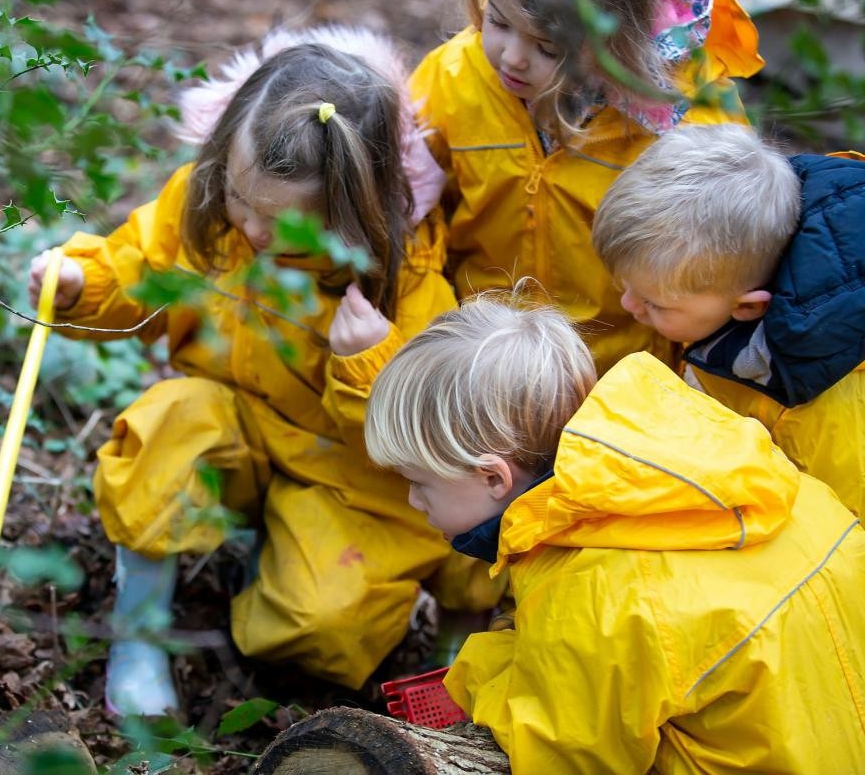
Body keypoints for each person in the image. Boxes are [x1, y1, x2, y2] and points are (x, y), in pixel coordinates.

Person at [26, 26, 463, 716]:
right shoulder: (210, 203)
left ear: (351, 210)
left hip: (344, 473)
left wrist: (371, 361)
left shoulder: (404, 281)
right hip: (232, 417)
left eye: (281, 225)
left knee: (318, 630)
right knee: (167, 421)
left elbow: (414, 442)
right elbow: (145, 265)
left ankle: (273, 567)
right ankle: (137, 636)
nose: (252, 231)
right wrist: (87, 283)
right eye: (239, 199)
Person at [363, 295, 865, 773]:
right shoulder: (686, 455)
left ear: (494, 477)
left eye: (418, 482)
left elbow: (562, 757)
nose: (413, 501)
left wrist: (482, 668)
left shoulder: (590, 592)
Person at [409, 0, 764, 376]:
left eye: (547, 47)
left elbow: (710, 282)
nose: (512, 57)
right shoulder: (453, 78)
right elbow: (414, 219)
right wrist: (432, 329)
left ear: (620, 45)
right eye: (498, 21)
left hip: (614, 378)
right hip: (480, 360)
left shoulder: (689, 134)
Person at [592, 123, 865, 512]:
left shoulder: (819, 413)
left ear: (748, 307)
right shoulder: (719, 293)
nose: (628, 305)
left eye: (655, 304)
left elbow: (845, 535)